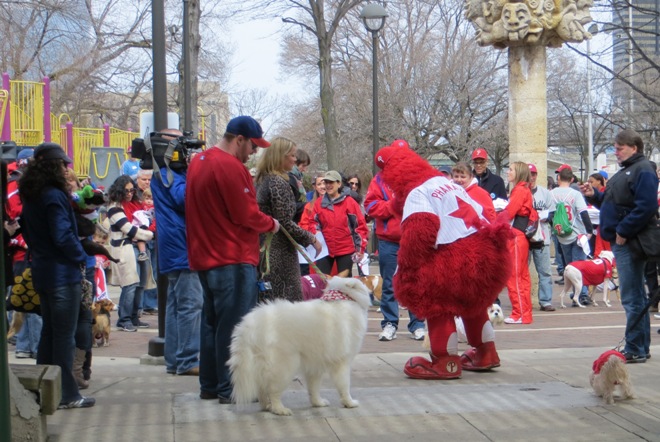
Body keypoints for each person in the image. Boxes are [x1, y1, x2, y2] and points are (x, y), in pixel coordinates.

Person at [373, 143, 511, 380]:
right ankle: (486, 352)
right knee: (473, 304)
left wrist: (406, 270)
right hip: (487, 252)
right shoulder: (444, 182)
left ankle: (445, 361)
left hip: (456, 257)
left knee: (435, 298)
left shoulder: (418, 193)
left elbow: (421, 232)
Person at [186, 115, 279, 403]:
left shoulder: (198, 162)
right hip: (232, 256)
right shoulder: (230, 167)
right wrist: (272, 224)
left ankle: (211, 385)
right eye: (253, 146)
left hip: (205, 254)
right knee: (236, 326)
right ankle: (230, 387)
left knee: (212, 322)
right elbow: (246, 214)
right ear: (239, 139)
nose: (254, 153)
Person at [18, 142, 95, 409]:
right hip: (62, 274)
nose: (66, 168)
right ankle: (66, 393)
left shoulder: (31, 194)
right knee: (64, 336)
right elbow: (62, 235)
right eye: (63, 164)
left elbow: (27, 231)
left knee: (50, 334)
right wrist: (80, 257)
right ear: (53, 166)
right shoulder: (53, 195)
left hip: (43, 271)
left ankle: (43, 388)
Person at [581, 129, 658, 362]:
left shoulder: (642, 169)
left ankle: (635, 347)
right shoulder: (629, 170)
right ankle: (640, 346)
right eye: (615, 147)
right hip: (623, 239)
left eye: (620, 147)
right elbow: (613, 202)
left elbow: (646, 207)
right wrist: (594, 195)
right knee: (635, 296)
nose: (616, 152)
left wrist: (623, 231)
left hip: (630, 241)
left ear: (634, 147)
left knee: (632, 296)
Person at [150, 128, 204, 376]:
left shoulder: (164, 173)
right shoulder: (168, 174)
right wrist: (196, 172)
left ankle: (175, 360)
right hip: (182, 246)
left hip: (175, 246)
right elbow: (186, 199)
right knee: (191, 304)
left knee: (176, 305)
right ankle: (187, 359)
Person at [365, 146, 426, 342]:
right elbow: (370, 206)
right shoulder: (379, 180)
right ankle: (390, 323)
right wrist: (392, 205)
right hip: (388, 241)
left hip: (413, 239)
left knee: (415, 283)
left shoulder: (419, 178)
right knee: (389, 284)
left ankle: (417, 324)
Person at [255, 137, 321, 302]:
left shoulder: (263, 180)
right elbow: (284, 222)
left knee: (269, 302)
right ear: (280, 156)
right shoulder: (278, 182)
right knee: (286, 303)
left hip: (266, 248)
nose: (294, 159)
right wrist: (311, 238)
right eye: (291, 155)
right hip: (279, 253)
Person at [107, 175, 155, 332]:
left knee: (140, 284)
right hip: (125, 247)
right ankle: (124, 318)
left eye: (132, 190)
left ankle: (134, 316)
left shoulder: (135, 204)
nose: (129, 193)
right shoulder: (114, 207)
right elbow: (128, 229)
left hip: (137, 246)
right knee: (130, 285)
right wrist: (150, 235)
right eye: (126, 190)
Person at [551, 165, 594, 305]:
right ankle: (581, 295)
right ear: (571, 179)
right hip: (577, 233)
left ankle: (573, 294)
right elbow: (583, 212)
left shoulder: (551, 193)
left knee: (569, 266)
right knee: (580, 265)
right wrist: (589, 231)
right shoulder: (575, 194)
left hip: (561, 234)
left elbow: (550, 214)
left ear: (558, 178)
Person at [312, 170, 368, 277]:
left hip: (345, 249)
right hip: (325, 249)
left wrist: (360, 249)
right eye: (326, 182)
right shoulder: (319, 203)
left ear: (339, 184)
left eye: (331, 182)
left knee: (345, 285)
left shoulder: (349, 202)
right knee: (322, 283)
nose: (328, 185)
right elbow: (312, 223)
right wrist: (316, 235)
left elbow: (360, 227)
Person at [504, 161, 538, 324]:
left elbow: (509, 213)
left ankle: (518, 313)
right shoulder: (525, 189)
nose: (508, 172)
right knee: (523, 276)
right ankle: (525, 313)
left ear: (518, 172)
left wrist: (494, 223)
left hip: (516, 236)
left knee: (514, 276)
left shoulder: (519, 190)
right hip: (520, 236)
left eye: (510, 170)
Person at [528, 163, 555, 311]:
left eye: (534, 174)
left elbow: (552, 212)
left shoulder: (545, 193)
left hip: (541, 237)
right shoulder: (519, 192)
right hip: (525, 236)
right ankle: (523, 300)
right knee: (522, 272)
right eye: (529, 174)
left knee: (545, 271)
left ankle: (545, 301)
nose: (531, 177)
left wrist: (546, 217)